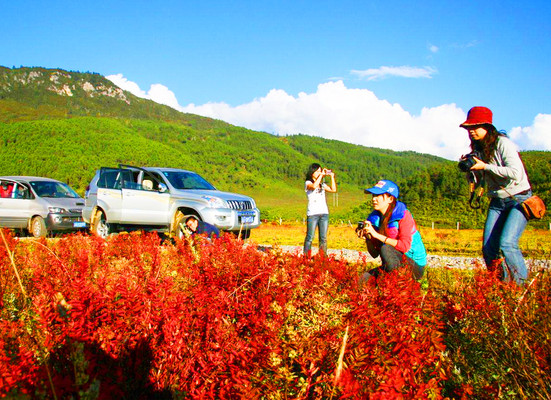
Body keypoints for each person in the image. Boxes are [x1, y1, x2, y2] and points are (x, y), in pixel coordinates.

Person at [459, 106, 531, 284]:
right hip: (497, 201)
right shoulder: (479, 148)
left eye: (475, 127)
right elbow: (482, 178)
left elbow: (516, 173)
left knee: (507, 243)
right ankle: (500, 285)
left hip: (519, 198)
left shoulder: (502, 143)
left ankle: (521, 287)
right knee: (489, 248)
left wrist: (485, 166)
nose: (471, 131)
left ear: (487, 126)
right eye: (469, 128)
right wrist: (473, 171)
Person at [357, 180, 427, 281]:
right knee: (362, 280)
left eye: (378, 195)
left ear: (390, 198)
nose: (374, 199)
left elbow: (404, 246)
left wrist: (376, 235)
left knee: (386, 248)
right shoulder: (375, 219)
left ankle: (400, 284)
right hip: (392, 263)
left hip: (414, 265)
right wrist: (368, 238)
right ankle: (390, 284)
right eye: (373, 195)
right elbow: (374, 254)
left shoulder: (404, 216)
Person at [303, 163, 337, 257]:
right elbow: (313, 186)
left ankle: (323, 257)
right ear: (312, 172)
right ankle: (306, 257)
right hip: (313, 213)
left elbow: (333, 190)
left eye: (320, 171)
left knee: (323, 237)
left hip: (324, 213)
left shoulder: (322, 184)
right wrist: (322, 175)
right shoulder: (308, 183)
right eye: (317, 171)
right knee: (310, 237)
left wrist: (332, 177)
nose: (319, 173)